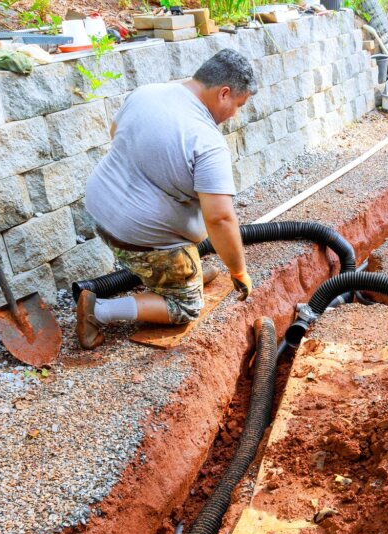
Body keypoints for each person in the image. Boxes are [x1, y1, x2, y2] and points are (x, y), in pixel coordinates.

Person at [76, 49, 256, 350]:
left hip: (99, 210)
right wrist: (239, 272)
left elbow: (116, 134)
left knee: (188, 209)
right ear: (224, 93)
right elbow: (220, 219)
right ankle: (99, 310)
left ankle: (184, 274)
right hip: (135, 237)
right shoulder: (208, 143)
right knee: (186, 307)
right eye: (238, 105)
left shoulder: (147, 93)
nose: (235, 114)